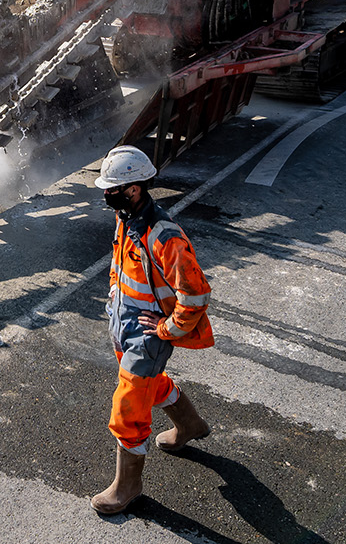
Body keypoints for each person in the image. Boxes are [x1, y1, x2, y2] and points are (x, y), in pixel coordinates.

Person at [90, 145, 214, 515]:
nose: (105, 195)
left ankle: (127, 486)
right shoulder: (126, 220)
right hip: (124, 322)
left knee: (127, 406)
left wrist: (165, 329)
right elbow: (118, 263)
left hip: (148, 335)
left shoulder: (165, 237)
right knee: (150, 386)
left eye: (111, 189)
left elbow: (196, 295)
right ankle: (190, 425)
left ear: (134, 190)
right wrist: (114, 297)